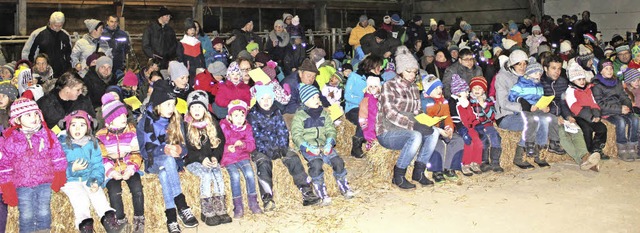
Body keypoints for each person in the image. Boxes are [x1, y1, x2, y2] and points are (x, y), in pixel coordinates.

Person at [137, 80, 199, 232]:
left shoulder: (176, 120)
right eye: (167, 104)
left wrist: (179, 149)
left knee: (165, 174)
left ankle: (171, 219)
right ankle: (181, 203)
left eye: (173, 104)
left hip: (171, 163)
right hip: (153, 162)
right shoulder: (145, 123)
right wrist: (163, 150)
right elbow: (145, 152)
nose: (172, 108)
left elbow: (185, 148)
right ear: (158, 104)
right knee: (167, 159)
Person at [248, 85, 322, 209]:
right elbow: (255, 136)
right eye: (263, 99)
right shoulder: (252, 115)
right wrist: (267, 149)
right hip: (261, 148)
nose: (266, 102)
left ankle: (306, 191)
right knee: (263, 163)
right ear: (257, 99)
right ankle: (267, 198)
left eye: (269, 99)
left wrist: (282, 146)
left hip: (278, 146)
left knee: (293, 157)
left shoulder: (276, 111)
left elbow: (282, 130)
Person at [0, 98, 67, 233]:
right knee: (26, 213)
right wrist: (6, 186)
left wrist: (60, 173)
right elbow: (5, 165)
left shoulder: (47, 134)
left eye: (36, 113)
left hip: (44, 181)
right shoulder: (11, 140)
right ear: (17, 120)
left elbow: (57, 154)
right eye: (29, 115)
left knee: (43, 210)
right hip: (22, 184)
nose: (34, 117)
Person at [377, 47, 439, 189]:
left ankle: (419, 172)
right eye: (408, 71)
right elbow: (390, 113)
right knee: (416, 135)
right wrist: (414, 125)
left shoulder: (414, 88)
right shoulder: (389, 86)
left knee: (434, 132)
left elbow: (417, 111)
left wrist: (426, 122)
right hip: (388, 131)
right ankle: (398, 175)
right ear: (400, 71)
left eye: (414, 72)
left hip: (407, 128)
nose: (412, 75)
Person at [59, 110, 126, 232]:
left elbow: (97, 165)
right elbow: (56, 167)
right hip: (69, 181)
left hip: (88, 176)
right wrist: (71, 169)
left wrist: (96, 180)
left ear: (88, 128)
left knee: (97, 193)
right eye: (73, 125)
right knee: (80, 198)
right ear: (68, 126)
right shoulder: (61, 144)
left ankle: (109, 221)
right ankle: (85, 225)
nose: (77, 128)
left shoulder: (92, 143)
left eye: (82, 125)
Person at [292, 84, 355, 205]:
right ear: (305, 101)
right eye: (313, 98)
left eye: (317, 97)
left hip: (323, 144)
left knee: (337, 161)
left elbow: (331, 130)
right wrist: (307, 146)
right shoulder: (299, 116)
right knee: (316, 163)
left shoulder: (324, 114)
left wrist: (329, 143)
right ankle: (320, 188)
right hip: (309, 145)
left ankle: (343, 184)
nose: (317, 100)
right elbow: (296, 135)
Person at [96, 93, 145, 232]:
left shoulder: (131, 131)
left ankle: (139, 217)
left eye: (124, 115)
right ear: (109, 121)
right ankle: (120, 220)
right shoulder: (101, 136)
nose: (124, 118)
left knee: (137, 189)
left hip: (129, 166)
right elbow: (102, 157)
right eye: (119, 116)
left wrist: (131, 168)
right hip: (112, 170)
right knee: (114, 191)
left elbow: (135, 152)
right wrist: (111, 172)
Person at [183, 90, 233, 226]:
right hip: (193, 161)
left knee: (217, 173)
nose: (196, 110)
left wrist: (215, 157)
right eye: (193, 107)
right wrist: (201, 158)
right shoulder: (186, 125)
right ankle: (207, 211)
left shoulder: (211, 122)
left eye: (199, 107)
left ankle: (220, 208)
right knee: (206, 175)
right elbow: (187, 149)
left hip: (210, 160)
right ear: (189, 109)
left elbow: (220, 142)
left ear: (205, 109)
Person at [219, 99, 263, 217]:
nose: (239, 118)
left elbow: (252, 145)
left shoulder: (247, 128)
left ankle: (253, 202)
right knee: (235, 175)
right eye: (236, 115)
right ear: (230, 116)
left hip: (243, 156)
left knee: (249, 173)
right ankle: (238, 206)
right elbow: (220, 142)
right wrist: (228, 147)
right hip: (228, 158)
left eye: (242, 115)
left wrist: (242, 145)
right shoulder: (224, 126)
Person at [593, 61, 639, 162]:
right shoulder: (596, 84)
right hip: (608, 112)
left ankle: (632, 146)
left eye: (611, 68)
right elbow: (600, 104)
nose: (609, 71)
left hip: (620, 108)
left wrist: (627, 105)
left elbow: (623, 96)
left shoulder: (616, 81)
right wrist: (619, 109)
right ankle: (621, 148)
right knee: (621, 122)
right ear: (600, 71)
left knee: (635, 119)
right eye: (606, 69)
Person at [564, 64, 604, 171]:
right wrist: (590, 117)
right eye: (578, 79)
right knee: (587, 129)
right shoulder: (571, 90)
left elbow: (594, 103)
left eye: (582, 78)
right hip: (579, 115)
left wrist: (596, 114)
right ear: (572, 80)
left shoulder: (588, 89)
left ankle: (597, 149)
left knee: (602, 128)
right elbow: (574, 107)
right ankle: (588, 152)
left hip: (591, 114)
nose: (582, 81)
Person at [344, 55, 383, 158]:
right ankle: (356, 146)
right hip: (354, 107)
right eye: (379, 66)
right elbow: (347, 95)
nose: (381, 68)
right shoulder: (355, 76)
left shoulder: (379, 80)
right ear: (372, 66)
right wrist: (365, 102)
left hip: (373, 108)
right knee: (364, 118)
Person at [21, 11, 72, 78]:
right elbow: (27, 52)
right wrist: (28, 67)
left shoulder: (66, 35)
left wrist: (69, 69)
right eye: (55, 25)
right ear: (50, 22)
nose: (58, 28)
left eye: (60, 26)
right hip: (42, 73)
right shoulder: (38, 34)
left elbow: (69, 54)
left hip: (61, 73)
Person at [358, 76, 382, 151]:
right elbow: (362, 113)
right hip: (370, 122)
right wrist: (364, 124)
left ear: (379, 88)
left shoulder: (381, 98)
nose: (373, 88)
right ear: (368, 88)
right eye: (371, 86)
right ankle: (370, 147)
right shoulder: (366, 99)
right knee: (370, 136)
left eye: (375, 86)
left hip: (379, 122)